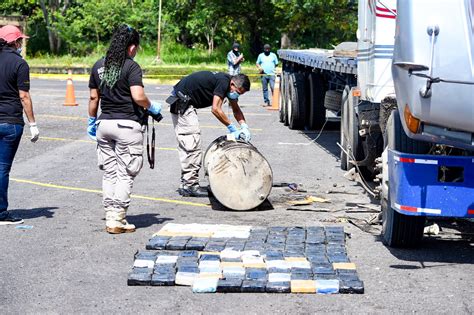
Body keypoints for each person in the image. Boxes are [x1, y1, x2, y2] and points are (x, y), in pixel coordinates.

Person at [87, 25, 162, 234]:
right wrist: (152, 106)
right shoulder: (131, 66)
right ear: (131, 48)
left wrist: (91, 121)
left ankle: (111, 214)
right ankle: (117, 218)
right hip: (127, 125)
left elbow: (94, 98)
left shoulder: (99, 65)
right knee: (125, 172)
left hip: (104, 125)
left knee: (109, 172)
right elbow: (138, 96)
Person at [167, 71, 251, 197]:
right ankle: (190, 186)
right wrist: (232, 128)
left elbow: (236, 108)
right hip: (182, 104)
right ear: (233, 84)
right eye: (238, 92)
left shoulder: (228, 85)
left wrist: (244, 126)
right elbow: (215, 109)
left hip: (183, 102)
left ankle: (187, 183)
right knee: (192, 144)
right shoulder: (224, 82)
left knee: (190, 144)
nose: (236, 96)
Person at [0, 25, 39, 225]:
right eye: (20, 41)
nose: (22, 44)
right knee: (2, 168)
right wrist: (33, 123)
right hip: (10, 121)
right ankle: (0, 212)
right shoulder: (19, 64)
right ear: (14, 42)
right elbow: (23, 96)